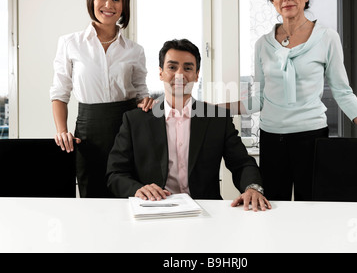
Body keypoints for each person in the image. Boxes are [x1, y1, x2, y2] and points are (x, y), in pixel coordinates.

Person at [222, 0, 357, 201]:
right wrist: (208, 108)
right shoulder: (262, 45)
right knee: (272, 207)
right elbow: (256, 100)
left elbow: (342, 92)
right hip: (271, 137)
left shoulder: (327, 38)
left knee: (312, 208)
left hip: (311, 137)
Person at [106, 39, 271, 212]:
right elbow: (115, 173)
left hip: (207, 212)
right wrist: (137, 189)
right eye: (172, 67)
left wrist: (252, 188)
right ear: (161, 72)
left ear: (196, 75)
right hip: (153, 208)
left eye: (188, 68)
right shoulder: (135, 120)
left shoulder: (217, 118)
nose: (180, 74)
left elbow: (242, 163)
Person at [50, 0, 153, 198]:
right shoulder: (70, 43)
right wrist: (62, 131)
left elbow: (140, 95)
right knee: (92, 197)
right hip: (89, 133)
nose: (109, 4)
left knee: (130, 196)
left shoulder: (135, 51)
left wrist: (145, 102)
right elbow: (60, 93)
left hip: (127, 131)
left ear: (124, 5)